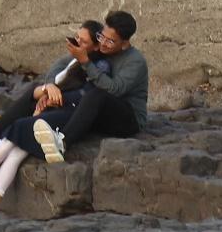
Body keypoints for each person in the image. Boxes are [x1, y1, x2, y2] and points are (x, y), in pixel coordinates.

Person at [0, 22, 110, 215]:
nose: (76, 43)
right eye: (77, 38)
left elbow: (87, 94)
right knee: (17, 150)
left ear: (95, 46)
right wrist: (47, 91)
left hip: (67, 115)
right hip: (52, 107)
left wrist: (52, 98)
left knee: (18, 130)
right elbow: (52, 78)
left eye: (83, 42)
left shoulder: (99, 66)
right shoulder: (72, 61)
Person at [32, 9, 148, 162]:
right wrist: (50, 86)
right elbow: (63, 64)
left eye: (110, 41)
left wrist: (86, 62)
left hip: (128, 118)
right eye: (101, 37)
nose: (103, 44)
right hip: (99, 113)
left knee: (96, 94)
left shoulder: (135, 61)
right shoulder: (101, 48)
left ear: (125, 43)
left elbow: (114, 89)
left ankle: (62, 142)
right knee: (36, 92)